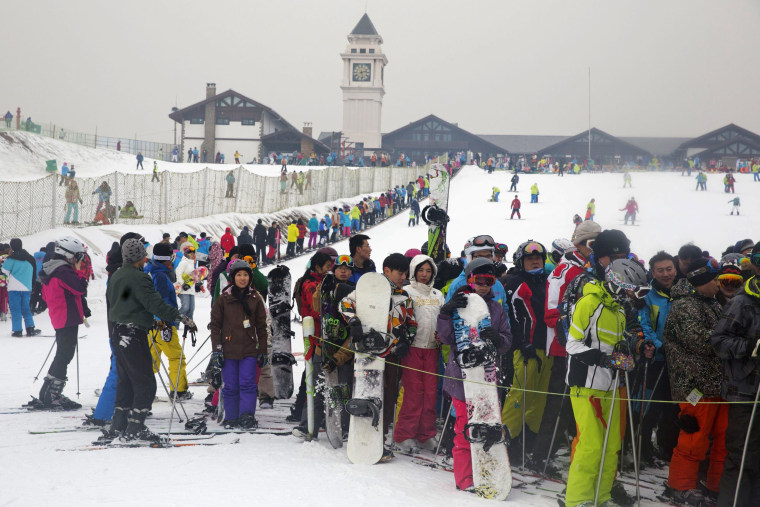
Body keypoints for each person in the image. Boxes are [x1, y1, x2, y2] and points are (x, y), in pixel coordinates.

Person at [563, 258, 648, 507]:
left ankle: (601, 497)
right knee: (590, 445)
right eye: (634, 290)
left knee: (611, 446)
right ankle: (578, 499)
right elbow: (572, 344)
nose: (635, 296)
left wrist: (625, 356)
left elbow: (616, 345)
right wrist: (605, 359)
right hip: (585, 383)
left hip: (611, 385)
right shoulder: (588, 303)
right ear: (620, 283)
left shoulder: (619, 310)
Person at [103, 239, 196, 443]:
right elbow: (156, 305)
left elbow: (119, 304)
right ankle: (136, 426)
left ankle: (118, 425)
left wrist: (147, 322)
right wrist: (181, 317)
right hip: (134, 335)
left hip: (118, 333)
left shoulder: (116, 275)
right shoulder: (139, 278)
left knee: (125, 381)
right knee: (145, 383)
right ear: (140, 257)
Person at [436, 258, 510, 491]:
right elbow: (446, 338)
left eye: (489, 281)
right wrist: (446, 313)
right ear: (470, 280)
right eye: (479, 280)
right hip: (462, 378)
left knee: (487, 425)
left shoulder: (496, 309)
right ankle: (465, 477)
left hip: (487, 378)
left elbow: (507, 341)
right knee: (465, 426)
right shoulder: (459, 304)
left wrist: (498, 339)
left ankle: (486, 468)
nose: (484, 285)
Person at [339, 253, 418, 460]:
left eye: (405, 273)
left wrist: (405, 342)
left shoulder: (404, 296)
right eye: (400, 272)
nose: (403, 277)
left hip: (390, 354)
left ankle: (379, 441)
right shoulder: (368, 290)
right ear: (387, 271)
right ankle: (360, 436)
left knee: (389, 396)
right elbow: (344, 304)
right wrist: (354, 321)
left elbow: (411, 323)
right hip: (367, 354)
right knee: (366, 395)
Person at [538, 220, 601, 472]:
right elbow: (551, 313)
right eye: (592, 244)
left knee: (576, 405)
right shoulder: (564, 271)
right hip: (564, 347)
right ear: (579, 244)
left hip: (587, 348)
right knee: (558, 403)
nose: (595, 249)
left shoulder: (593, 268)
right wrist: (573, 339)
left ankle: (564, 449)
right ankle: (541, 454)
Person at [662, 257, 725, 505]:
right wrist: (732, 337)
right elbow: (699, 341)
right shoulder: (686, 306)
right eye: (713, 279)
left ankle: (715, 484)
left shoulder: (710, 303)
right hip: (695, 386)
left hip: (715, 383)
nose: (718, 284)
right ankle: (681, 485)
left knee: (721, 437)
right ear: (700, 281)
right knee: (693, 439)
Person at [711, 242, 760, 507]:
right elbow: (718, 342)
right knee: (741, 456)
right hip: (745, 390)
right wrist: (751, 347)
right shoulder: (742, 302)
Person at [501, 240, 550, 468]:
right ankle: (504, 443)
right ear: (521, 261)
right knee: (519, 398)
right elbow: (512, 316)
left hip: (546, 348)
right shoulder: (517, 282)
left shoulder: (547, 282)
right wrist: (522, 343)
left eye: (538, 258)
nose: (535, 261)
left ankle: (528, 444)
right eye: (530, 258)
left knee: (538, 400)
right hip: (526, 350)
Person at [393, 253, 446, 451]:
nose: (424, 274)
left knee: (431, 394)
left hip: (432, 349)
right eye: (421, 270)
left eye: (428, 271)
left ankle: (426, 434)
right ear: (414, 271)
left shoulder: (437, 295)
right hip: (413, 349)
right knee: (413, 393)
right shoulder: (406, 291)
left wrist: (443, 335)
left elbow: (443, 319)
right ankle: (404, 435)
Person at [31, 237, 90, 409]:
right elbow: (80, 288)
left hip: (61, 315)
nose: (79, 261)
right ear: (68, 254)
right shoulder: (64, 271)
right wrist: (80, 272)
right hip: (66, 317)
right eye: (77, 257)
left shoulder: (54, 267)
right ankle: (52, 394)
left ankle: (48, 391)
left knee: (62, 354)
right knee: (65, 354)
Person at [209, 259, 268, 429]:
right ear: (233, 277)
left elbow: (262, 327)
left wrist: (262, 350)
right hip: (228, 350)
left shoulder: (255, 298)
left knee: (248, 384)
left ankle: (247, 416)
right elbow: (215, 326)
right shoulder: (223, 299)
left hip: (249, 349)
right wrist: (217, 350)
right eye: (239, 275)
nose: (242, 278)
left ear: (250, 277)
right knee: (230, 386)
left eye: (246, 275)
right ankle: (232, 417)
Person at [637, 251, 680, 464]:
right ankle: (642, 448)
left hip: (678, 361)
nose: (666, 274)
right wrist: (659, 346)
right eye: (660, 270)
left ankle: (665, 447)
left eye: (669, 269)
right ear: (652, 272)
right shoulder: (648, 295)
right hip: (656, 360)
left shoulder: (682, 292)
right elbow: (644, 324)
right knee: (649, 407)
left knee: (671, 407)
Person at [291, 251, 333, 437]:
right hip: (315, 334)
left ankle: (316, 419)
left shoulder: (323, 281)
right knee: (314, 378)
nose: (330, 268)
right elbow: (316, 310)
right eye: (327, 265)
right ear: (317, 267)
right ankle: (307, 422)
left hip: (324, 334)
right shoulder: (311, 284)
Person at [145, 243, 191, 401]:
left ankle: (142, 390)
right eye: (172, 258)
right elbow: (161, 301)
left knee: (151, 360)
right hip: (163, 324)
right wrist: (163, 323)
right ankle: (179, 390)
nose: (172, 262)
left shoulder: (149, 271)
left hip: (150, 325)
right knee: (176, 357)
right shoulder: (161, 276)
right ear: (167, 259)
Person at [2, 238, 41, 338]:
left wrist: (10, 257)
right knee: (26, 308)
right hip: (27, 287)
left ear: (12, 247)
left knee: (15, 309)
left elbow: (4, 270)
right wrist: (32, 285)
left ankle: (17, 330)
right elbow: (34, 273)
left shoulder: (11, 258)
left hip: (14, 287)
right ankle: (30, 328)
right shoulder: (30, 258)